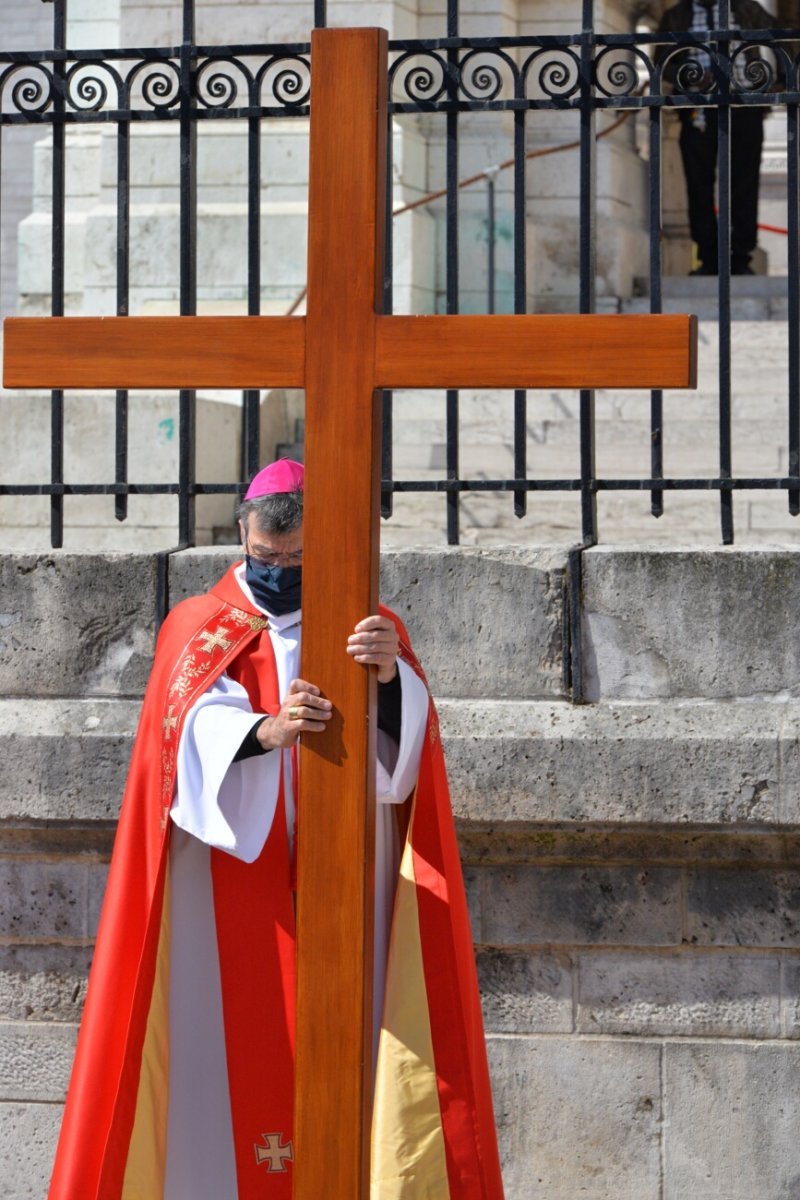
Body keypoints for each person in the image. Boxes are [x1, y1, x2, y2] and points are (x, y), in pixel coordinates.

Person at [47, 458, 504, 1200]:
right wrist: (266, 731)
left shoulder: (370, 626)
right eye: (267, 558)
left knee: (351, 1070)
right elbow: (180, 741)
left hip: (346, 885)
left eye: (297, 561)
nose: (281, 574)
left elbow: (408, 766)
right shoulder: (198, 625)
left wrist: (391, 682)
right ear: (242, 536)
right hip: (226, 891)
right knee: (217, 1088)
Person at [657, 0, 776, 275]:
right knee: (698, 184)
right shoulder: (676, 16)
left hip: (743, 105)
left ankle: (741, 257)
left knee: (744, 181)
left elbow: (779, 39)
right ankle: (709, 258)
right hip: (698, 109)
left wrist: (779, 80)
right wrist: (690, 79)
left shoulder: (746, 8)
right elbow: (661, 62)